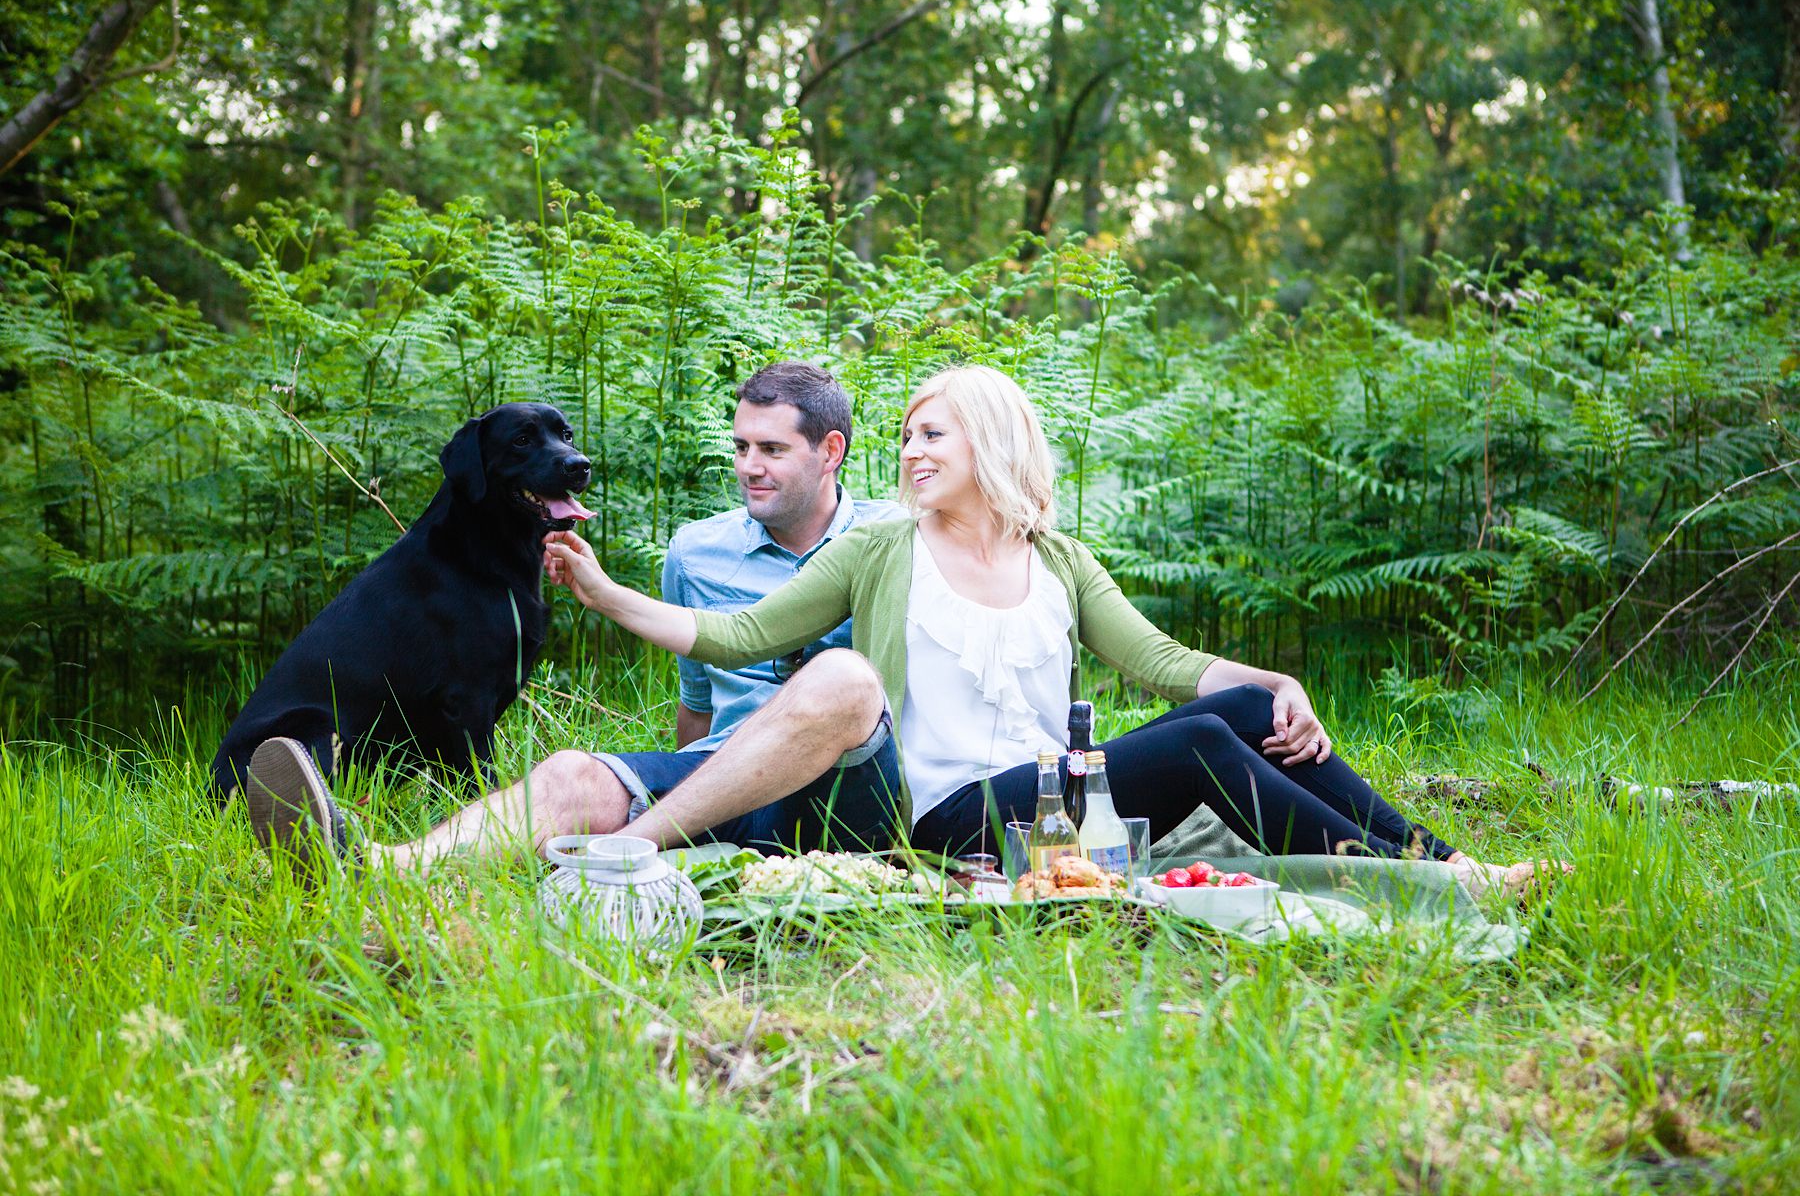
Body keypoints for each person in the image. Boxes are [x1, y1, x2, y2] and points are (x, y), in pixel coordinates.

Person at [545, 364, 1561, 898]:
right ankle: (1426, 881)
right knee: (1206, 741)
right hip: (947, 818)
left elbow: (1158, 662)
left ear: (988, 441)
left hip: (1052, 809)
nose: (910, 452)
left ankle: (1444, 860)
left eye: (929, 433)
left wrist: (1274, 680)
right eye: (903, 437)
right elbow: (736, 636)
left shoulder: (1060, 559)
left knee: (1242, 708)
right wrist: (604, 594)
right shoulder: (881, 549)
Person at [244, 362, 905, 877]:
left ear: (832, 450)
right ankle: (377, 866)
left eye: (772, 450)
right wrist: (665, 795)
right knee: (569, 773)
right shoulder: (698, 552)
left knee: (837, 677)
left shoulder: (892, 539)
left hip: (847, 789)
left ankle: (619, 857)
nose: (748, 468)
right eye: (740, 447)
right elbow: (696, 708)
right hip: (720, 784)